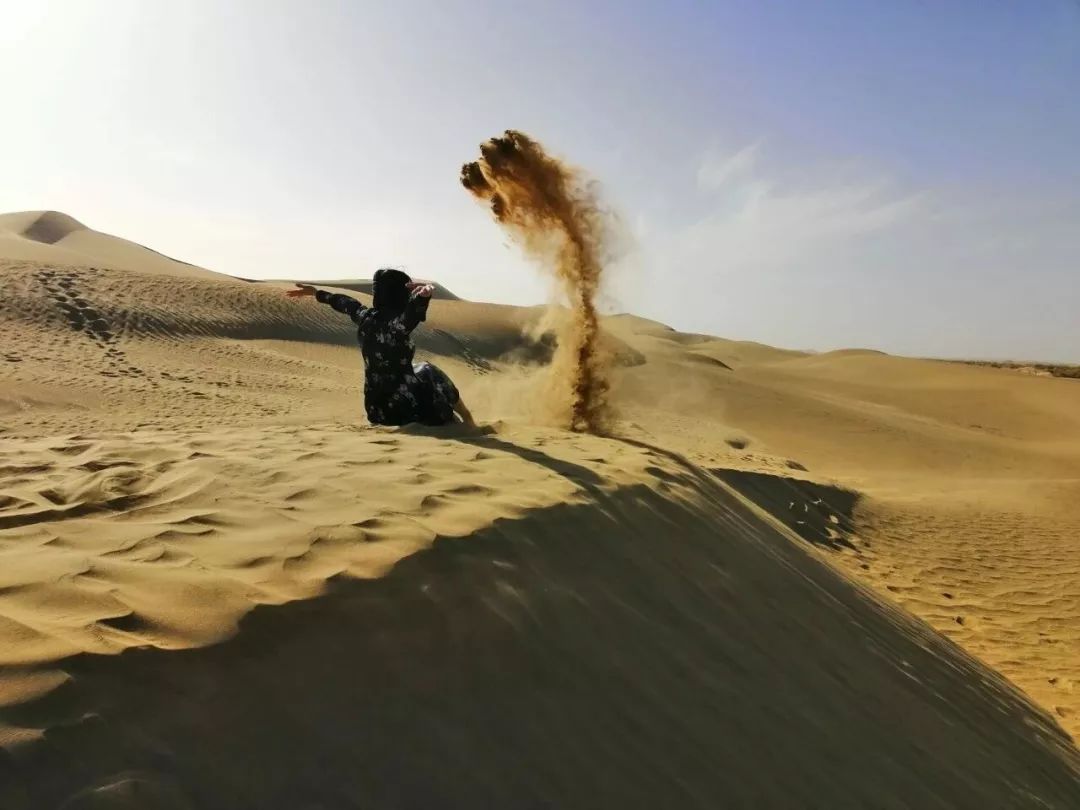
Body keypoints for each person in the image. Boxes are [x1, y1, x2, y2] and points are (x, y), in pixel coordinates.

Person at [287, 268, 474, 427]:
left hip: (377, 412)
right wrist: (422, 298)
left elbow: (345, 303)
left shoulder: (365, 318)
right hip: (409, 410)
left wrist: (316, 293)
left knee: (420, 372)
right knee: (429, 370)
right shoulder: (395, 327)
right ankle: (469, 421)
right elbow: (409, 318)